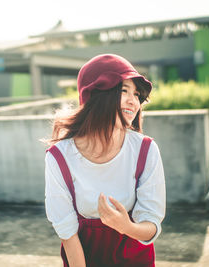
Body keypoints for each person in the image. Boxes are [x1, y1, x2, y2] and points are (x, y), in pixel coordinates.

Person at [45, 54, 166, 267]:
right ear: (96, 96)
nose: (133, 101)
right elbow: (66, 231)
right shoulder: (59, 157)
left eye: (137, 94)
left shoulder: (145, 150)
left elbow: (152, 223)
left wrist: (126, 226)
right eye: (124, 91)